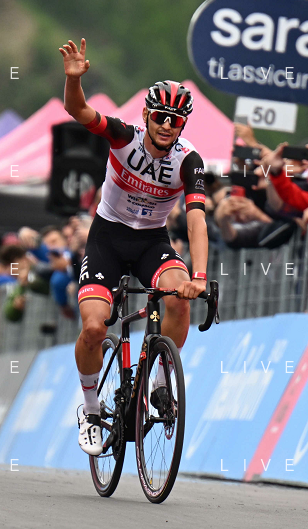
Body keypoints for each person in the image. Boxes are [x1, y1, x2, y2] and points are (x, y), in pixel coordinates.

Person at [58, 38, 207, 456]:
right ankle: (91, 410)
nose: (167, 126)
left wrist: (198, 277)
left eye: (176, 121)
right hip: (107, 237)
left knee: (179, 300)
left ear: (182, 127)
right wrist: (74, 81)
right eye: (160, 117)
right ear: (146, 115)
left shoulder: (189, 161)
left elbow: (196, 219)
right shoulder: (124, 136)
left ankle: (159, 382)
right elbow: (78, 111)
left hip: (151, 241)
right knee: (94, 328)